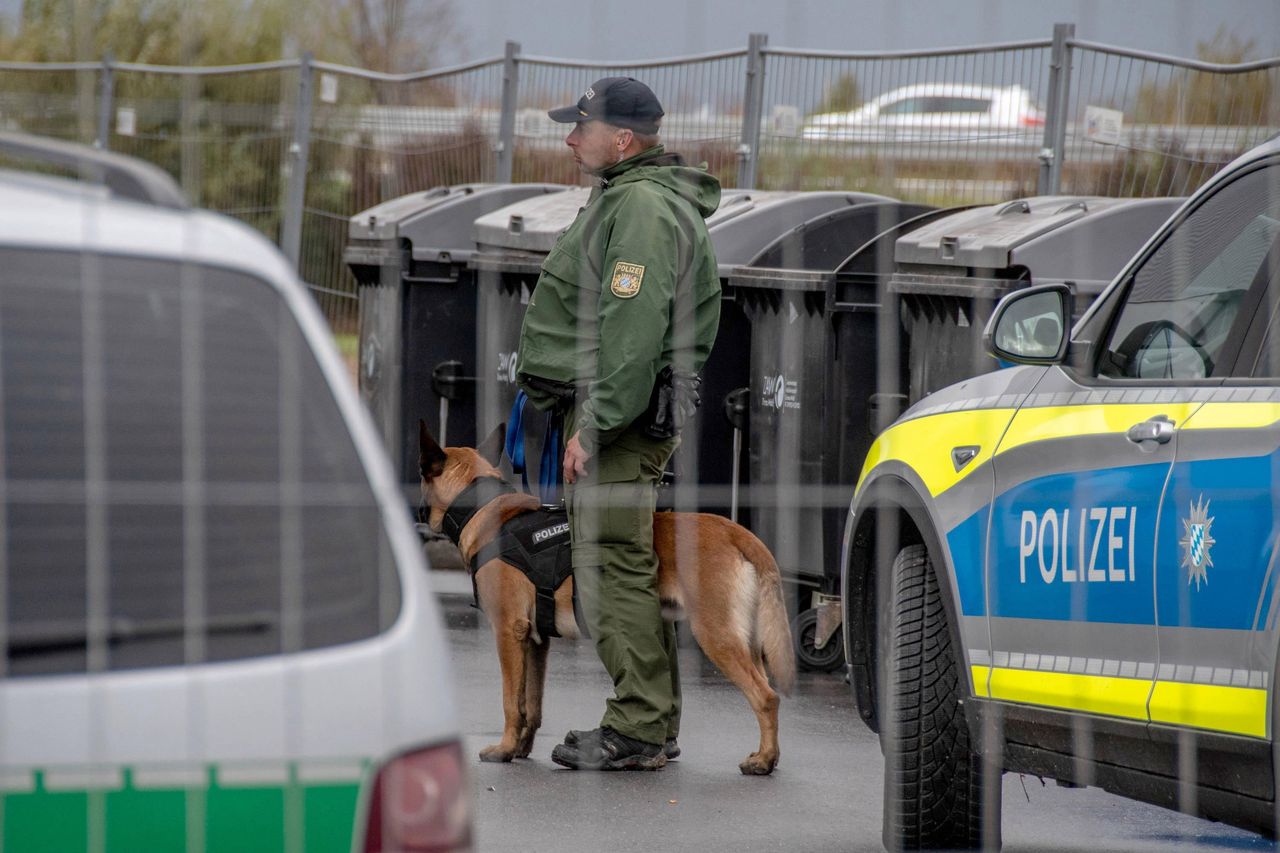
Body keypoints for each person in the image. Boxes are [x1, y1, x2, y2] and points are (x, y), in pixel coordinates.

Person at [515, 76, 722, 771]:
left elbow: (632, 331)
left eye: (582, 128)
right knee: (623, 565)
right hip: (621, 410)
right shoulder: (629, 196)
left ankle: (635, 726)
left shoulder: (638, 206)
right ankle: (652, 721)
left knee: (608, 569)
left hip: (619, 416)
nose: (571, 140)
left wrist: (595, 424)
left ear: (623, 139)